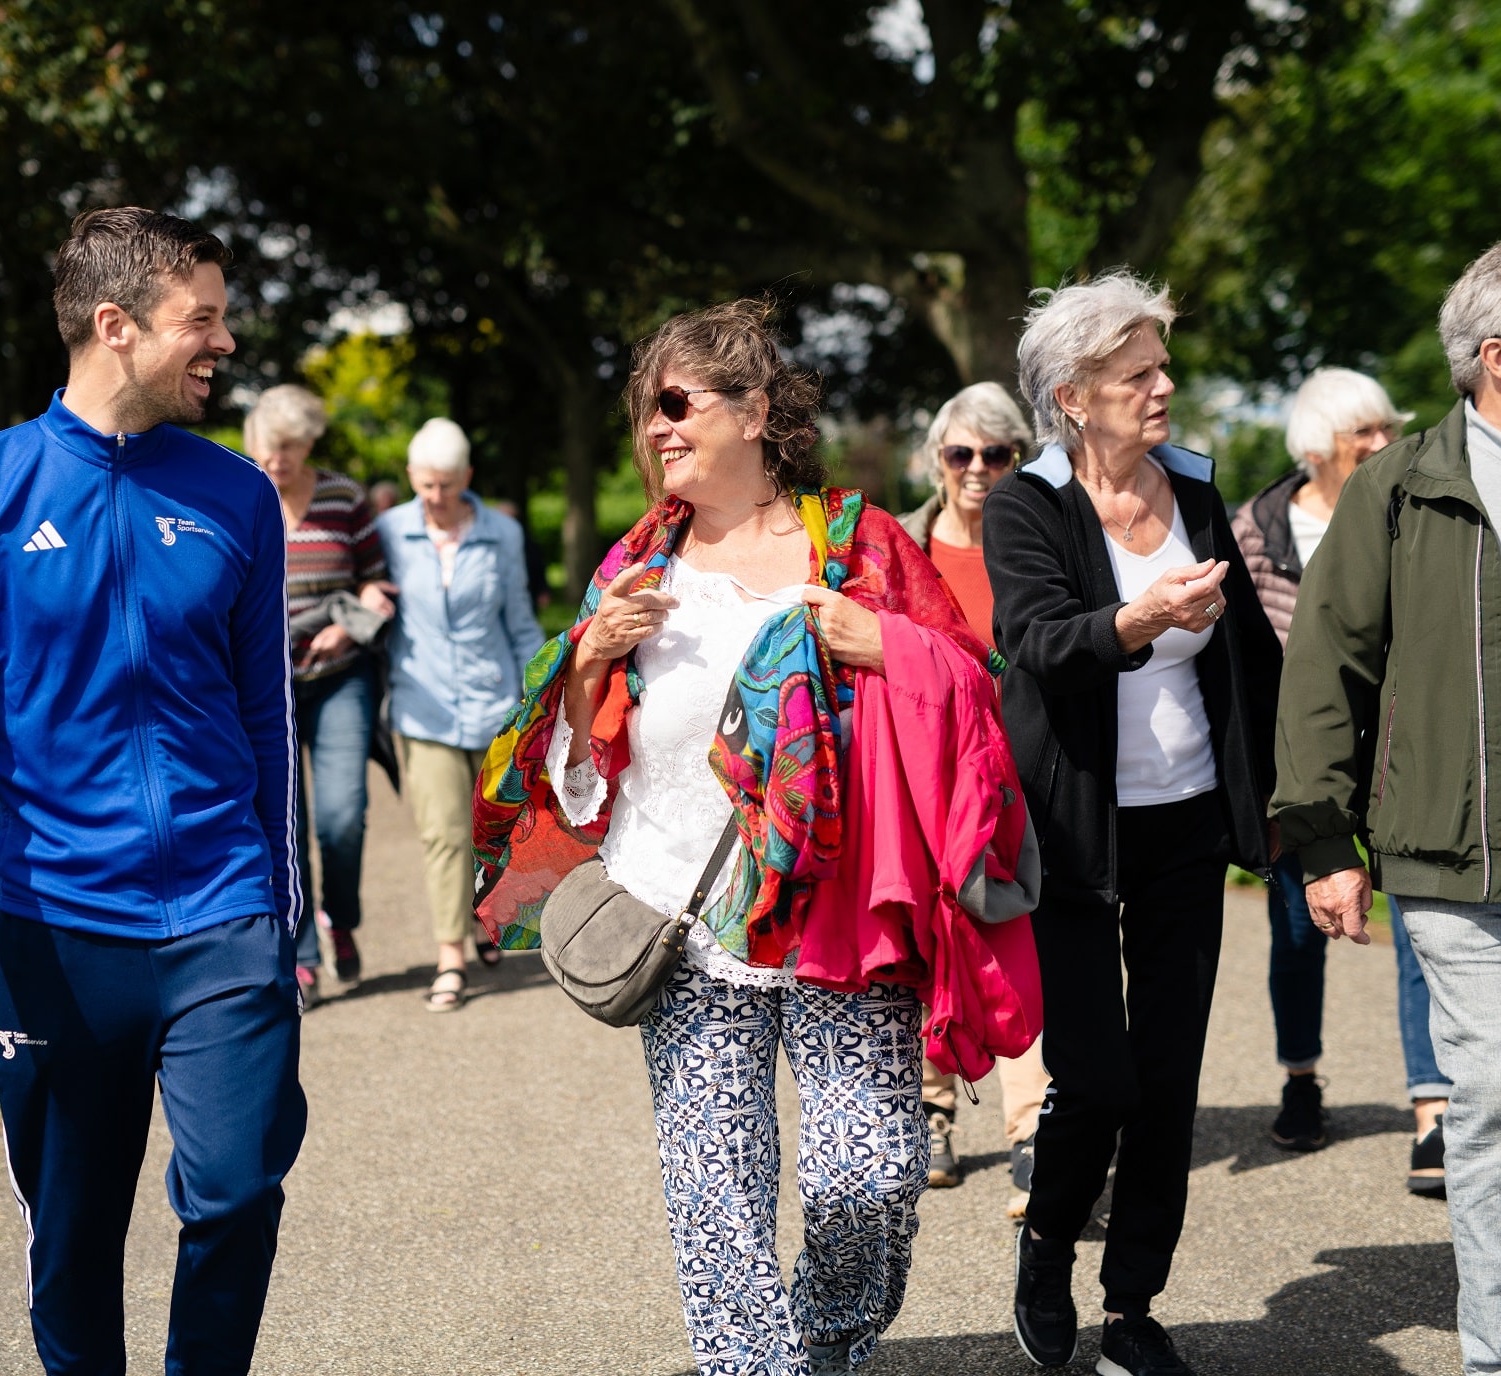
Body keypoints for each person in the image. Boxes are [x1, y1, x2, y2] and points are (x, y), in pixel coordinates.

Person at [471, 300, 1033, 1376]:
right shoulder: (640, 562)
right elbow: (576, 783)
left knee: (868, 1171)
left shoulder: (861, 545)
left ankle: (828, 1339)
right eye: (647, 411)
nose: (658, 429)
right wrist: (590, 663)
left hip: (840, 916)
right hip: (683, 922)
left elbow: (978, 693)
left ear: (757, 409)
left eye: (678, 404)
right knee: (716, 1189)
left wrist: (889, 644)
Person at [0, 207, 306, 1374]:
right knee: (72, 1241)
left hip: (221, 913)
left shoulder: (238, 496)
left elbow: (270, 716)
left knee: (236, 1190)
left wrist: (285, 915)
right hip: (53, 928)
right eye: (200, 319)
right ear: (115, 325)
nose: (223, 340)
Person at [1273, 226, 1501, 1376]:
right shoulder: (1402, 485)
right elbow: (1325, 665)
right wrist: (1324, 838)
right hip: (1456, 854)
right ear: (1495, 354)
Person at [985, 271, 1281, 1376]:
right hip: (1071, 832)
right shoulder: (1027, 502)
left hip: (1187, 828)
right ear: (1073, 394)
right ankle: (1048, 1239)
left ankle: (1133, 1307)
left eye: (1162, 365)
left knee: (1166, 1081)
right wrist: (1135, 617)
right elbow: (1038, 638)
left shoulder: (1196, 488)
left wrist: (1293, 808)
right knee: (1097, 1078)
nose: (1165, 386)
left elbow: (1247, 654)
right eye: (1137, 373)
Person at [1232, 369, 1455, 1189]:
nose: (1383, 442)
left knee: (1421, 926)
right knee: (1297, 929)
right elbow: (1248, 670)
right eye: (1365, 432)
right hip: (1301, 761)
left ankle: (1432, 1109)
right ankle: (1301, 1079)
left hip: (1401, 752)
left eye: (1387, 426)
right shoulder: (1254, 532)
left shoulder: (1415, 513)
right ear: (1320, 447)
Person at [898, 381, 1051, 1212]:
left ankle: (1031, 1126)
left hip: (1019, 771)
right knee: (933, 937)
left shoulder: (1034, 542)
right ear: (937, 462)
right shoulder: (904, 551)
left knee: (1016, 935)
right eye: (962, 454)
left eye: (998, 454)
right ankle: (933, 1109)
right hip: (933, 773)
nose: (980, 470)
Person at [374, 418, 543, 1011]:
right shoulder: (388, 532)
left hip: (494, 702)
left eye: (446, 485)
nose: (436, 498)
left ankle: (482, 918)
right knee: (443, 834)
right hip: (422, 707)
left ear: (467, 477)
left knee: (492, 830)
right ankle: (452, 956)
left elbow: (520, 621)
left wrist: (538, 701)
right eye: (425, 486)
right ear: (412, 480)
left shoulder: (502, 533)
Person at [244, 385, 394, 1003]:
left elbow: (379, 586)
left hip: (339, 677)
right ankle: (300, 950)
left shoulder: (343, 497)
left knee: (340, 815)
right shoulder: (238, 493)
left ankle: (342, 918)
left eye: (288, 448)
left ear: (308, 445)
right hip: (264, 684)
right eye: (266, 447)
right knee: (284, 821)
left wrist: (347, 627)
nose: (275, 460)